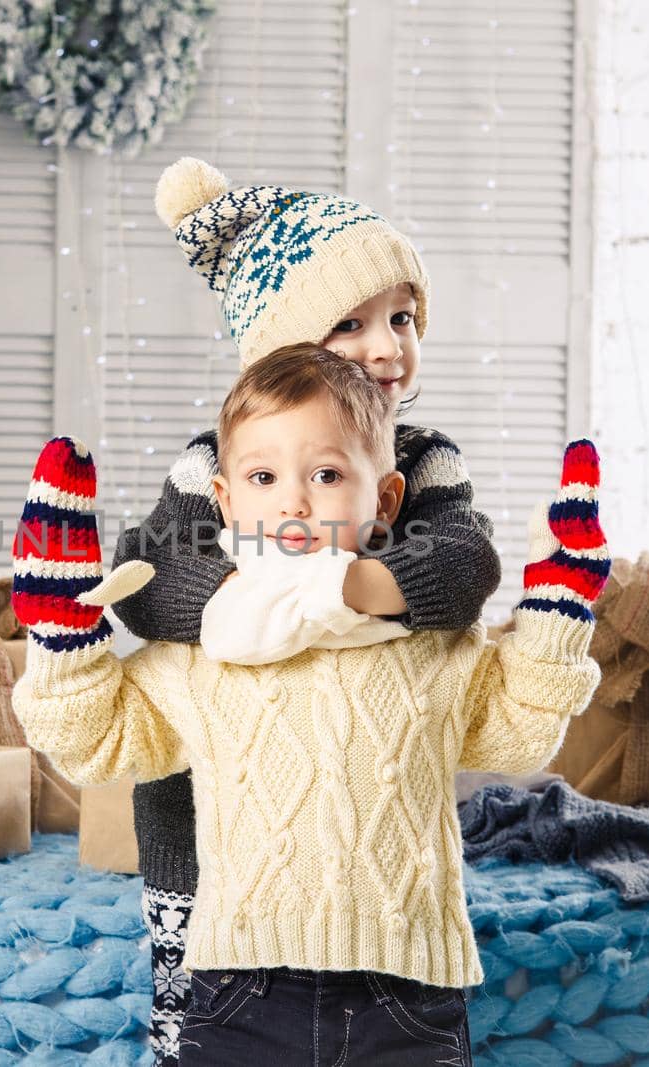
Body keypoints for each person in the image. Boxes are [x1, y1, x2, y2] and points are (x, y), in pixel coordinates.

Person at [10, 344, 610, 1065]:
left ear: (384, 500)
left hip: (409, 995)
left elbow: (520, 733)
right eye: (263, 476)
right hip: (241, 991)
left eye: (326, 474)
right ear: (226, 500)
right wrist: (61, 632)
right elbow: (92, 740)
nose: (293, 500)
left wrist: (558, 611)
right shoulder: (202, 655)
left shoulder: (434, 647)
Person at [116, 158, 505, 1062]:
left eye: (402, 318)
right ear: (279, 346)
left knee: (362, 850)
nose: (387, 346)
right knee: (200, 937)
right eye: (351, 323)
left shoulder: (422, 456)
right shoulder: (221, 457)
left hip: (363, 749)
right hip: (220, 777)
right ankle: (191, 1001)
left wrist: (349, 588)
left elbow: (465, 560)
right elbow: (143, 567)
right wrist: (242, 604)